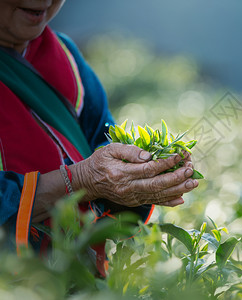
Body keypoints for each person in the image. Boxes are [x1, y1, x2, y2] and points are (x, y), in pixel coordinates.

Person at [0, 0, 199, 275]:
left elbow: (102, 139)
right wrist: (79, 180)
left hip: (80, 279)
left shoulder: (65, 56)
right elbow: (87, 175)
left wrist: (131, 182)